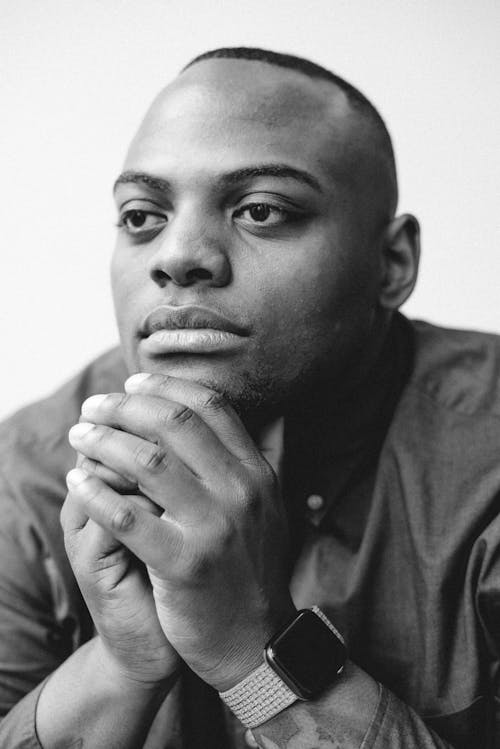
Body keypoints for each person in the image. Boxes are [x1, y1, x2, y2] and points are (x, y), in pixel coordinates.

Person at [0, 46, 498, 749]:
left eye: (261, 209)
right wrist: (118, 666)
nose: (178, 255)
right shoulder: (34, 474)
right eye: (142, 216)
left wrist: (256, 652)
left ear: (392, 264)